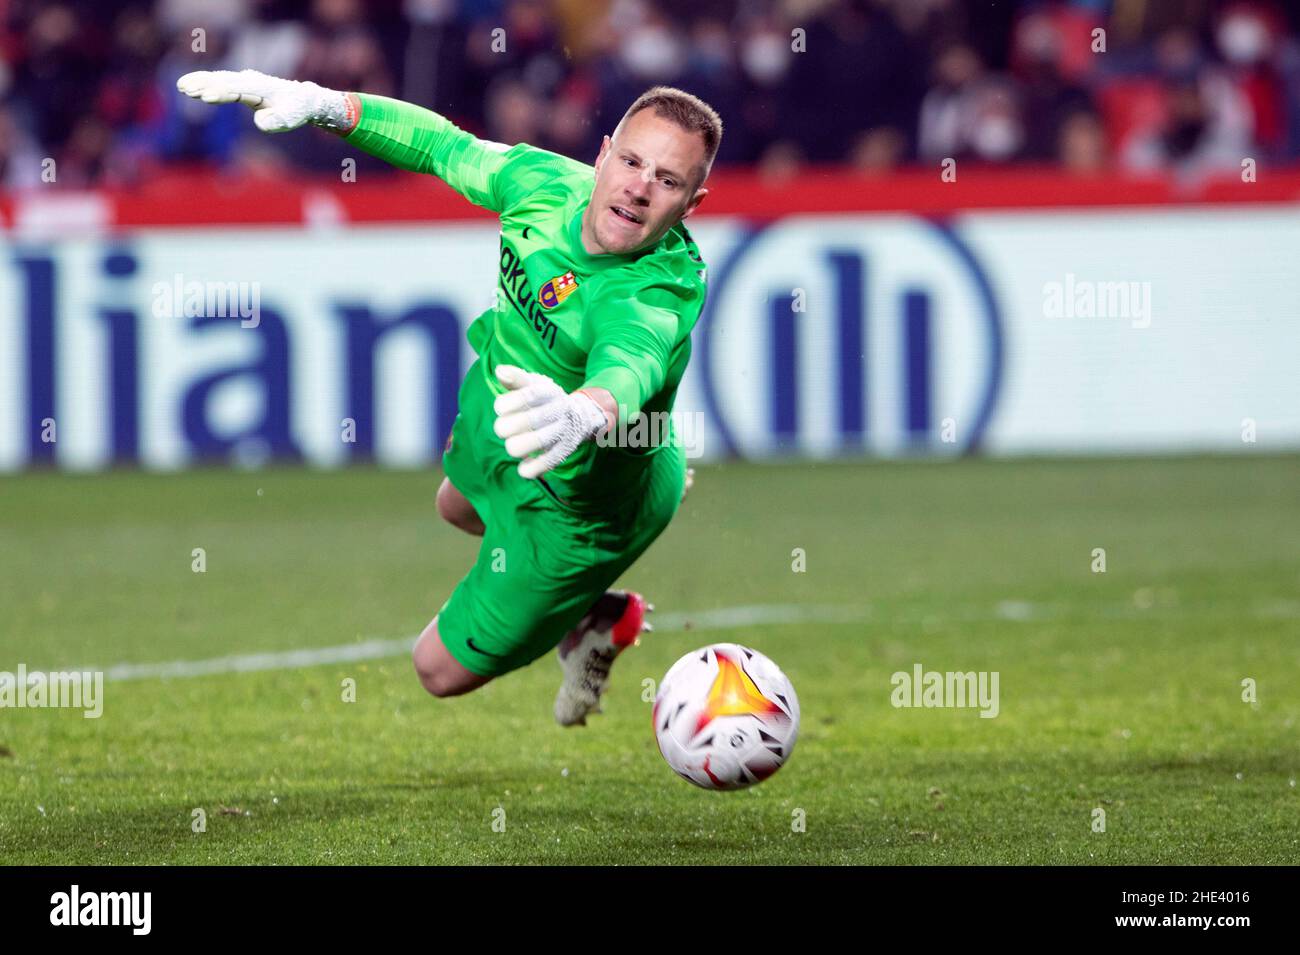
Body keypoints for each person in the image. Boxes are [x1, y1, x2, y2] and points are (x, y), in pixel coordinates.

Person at [177, 69, 719, 725]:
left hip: (577, 510)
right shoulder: (546, 184)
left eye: (668, 180)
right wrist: (326, 104)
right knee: (455, 506)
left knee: (434, 669)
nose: (639, 186)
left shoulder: (650, 295)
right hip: (511, 419)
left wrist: (586, 411)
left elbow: (629, 365)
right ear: (602, 154)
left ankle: (595, 613)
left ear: (692, 203)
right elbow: (441, 145)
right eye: (632, 161)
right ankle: (598, 589)